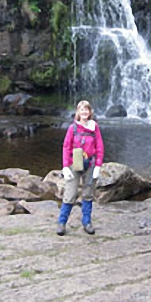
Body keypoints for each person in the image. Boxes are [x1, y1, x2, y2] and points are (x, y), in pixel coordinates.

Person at [56, 100, 104, 236]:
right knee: (70, 193)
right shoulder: (73, 128)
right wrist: (65, 166)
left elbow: (99, 147)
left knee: (88, 193)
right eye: (82, 110)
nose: (84, 112)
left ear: (90, 112)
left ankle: (87, 222)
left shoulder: (95, 127)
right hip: (75, 160)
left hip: (90, 162)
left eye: (86, 110)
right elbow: (66, 147)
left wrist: (98, 165)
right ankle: (61, 222)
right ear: (78, 112)